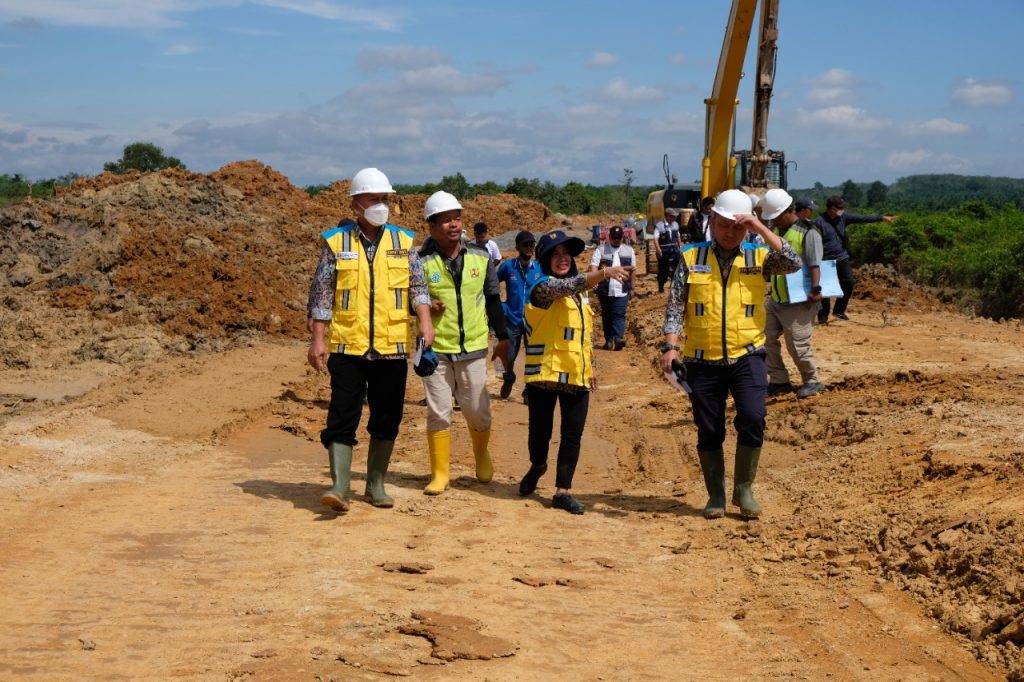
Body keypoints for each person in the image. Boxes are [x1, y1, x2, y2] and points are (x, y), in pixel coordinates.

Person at [659, 189, 801, 520]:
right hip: (701, 359)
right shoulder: (690, 257)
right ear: (713, 221)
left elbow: (793, 261)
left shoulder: (759, 256)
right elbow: (676, 304)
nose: (730, 232)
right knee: (709, 429)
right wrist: (670, 345)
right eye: (724, 224)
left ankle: (744, 490)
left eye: (738, 226)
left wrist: (760, 227)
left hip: (747, 355)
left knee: (753, 418)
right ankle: (716, 495)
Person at [307, 167, 435, 512]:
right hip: (348, 346)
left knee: (387, 415)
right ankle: (340, 486)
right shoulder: (337, 242)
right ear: (355, 203)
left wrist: (425, 321)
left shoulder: (403, 241)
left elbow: (418, 286)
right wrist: (318, 339)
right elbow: (322, 293)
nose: (381, 205)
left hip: (391, 348)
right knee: (342, 415)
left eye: (385, 199)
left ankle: (376, 485)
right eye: (375, 199)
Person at [518, 230, 632, 514]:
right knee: (540, 433)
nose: (562, 259)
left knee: (572, 434)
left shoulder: (581, 296)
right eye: (555, 255)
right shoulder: (540, 286)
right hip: (545, 374)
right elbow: (563, 288)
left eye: (566, 254)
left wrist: (591, 365)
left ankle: (562, 491)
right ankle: (538, 465)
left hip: (575, 375)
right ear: (545, 259)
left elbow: (583, 333)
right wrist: (604, 273)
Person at [417, 192, 510, 496]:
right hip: (436, 349)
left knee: (477, 409)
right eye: (445, 220)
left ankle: (481, 454)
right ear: (431, 226)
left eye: (456, 217)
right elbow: (408, 301)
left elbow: (494, 299)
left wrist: (504, 336)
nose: (453, 224)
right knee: (439, 411)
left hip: (473, 347)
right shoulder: (420, 260)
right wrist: (426, 305)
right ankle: (440, 473)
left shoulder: (481, 257)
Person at [762, 193, 824, 399]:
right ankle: (779, 380)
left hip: (799, 300)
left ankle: (811, 380)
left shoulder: (808, 232)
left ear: (789, 211)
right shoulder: (777, 230)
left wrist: (816, 289)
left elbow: (815, 262)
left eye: (777, 216)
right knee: (767, 338)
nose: (774, 220)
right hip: (777, 298)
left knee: (797, 344)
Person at [816, 196, 895, 322]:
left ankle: (839, 311)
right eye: (840, 208)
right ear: (831, 209)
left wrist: (882, 218)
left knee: (849, 283)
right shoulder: (819, 222)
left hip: (842, 257)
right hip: (825, 260)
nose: (842, 210)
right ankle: (822, 316)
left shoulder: (842, 217)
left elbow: (862, 218)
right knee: (825, 288)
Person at [497, 230, 542, 400]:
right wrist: (501, 308)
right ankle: (508, 377)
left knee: (533, 355)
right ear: (517, 247)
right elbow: (492, 286)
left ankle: (529, 390)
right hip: (513, 318)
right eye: (526, 244)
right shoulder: (508, 266)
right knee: (508, 355)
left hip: (533, 320)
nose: (530, 248)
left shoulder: (539, 268)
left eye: (532, 244)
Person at [589, 225, 636, 350]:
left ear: (622, 237)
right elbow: (594, 266)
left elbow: (633, 270)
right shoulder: (601, 250)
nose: (616, 240)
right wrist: (594, 282)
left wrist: (632, 287)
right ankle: (608, 340)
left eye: (618, 238)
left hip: (622, 288)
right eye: (614, 238)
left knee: (619, 314)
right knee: (607, 314)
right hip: (605, 289)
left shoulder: (629, 250)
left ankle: (618, 338)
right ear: (609, 237)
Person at [653, 208, 682, 293]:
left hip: (674, 251)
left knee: (677, 269)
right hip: (664, 252)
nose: (675, 218)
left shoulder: (676, 224)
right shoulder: (659, 226)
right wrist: (658, 250)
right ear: (668, 216)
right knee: (663, 271)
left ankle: (674, 286)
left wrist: (680, 248)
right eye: (673, 216)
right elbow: (655, 239)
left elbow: (678, 237)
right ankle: (661, 287)